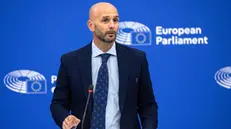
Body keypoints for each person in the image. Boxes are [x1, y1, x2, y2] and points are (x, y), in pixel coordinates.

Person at [50, 2, 158, 129]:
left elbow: (148, 105)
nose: (112, 25)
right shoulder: (71, 61)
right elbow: (58, 104)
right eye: (105, 20)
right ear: (91, 25)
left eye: (115, 20)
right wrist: (65, 118)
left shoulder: (136, 59)